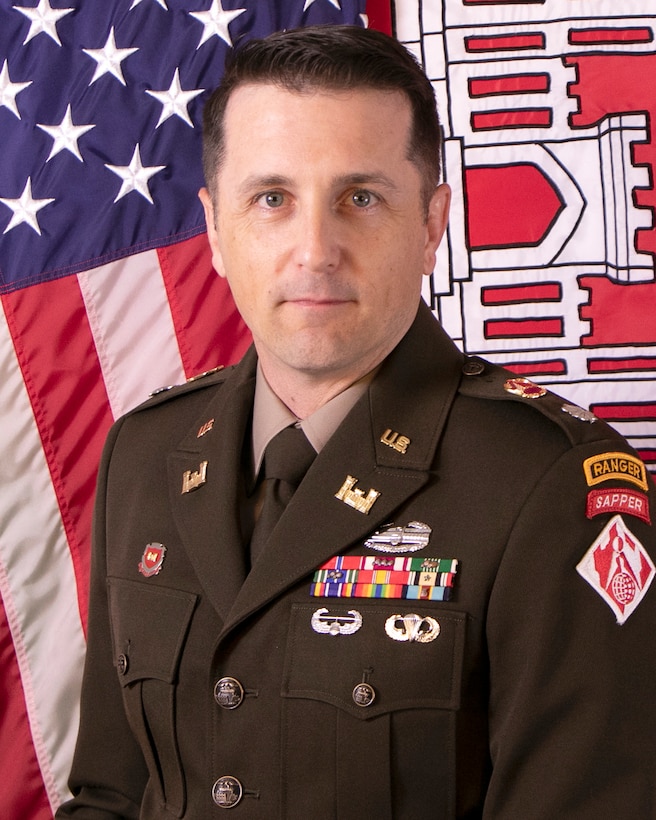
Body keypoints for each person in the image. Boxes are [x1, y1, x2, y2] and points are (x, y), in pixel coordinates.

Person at [57, 25, 656, 819]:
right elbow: (110, 795)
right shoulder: (146, 451)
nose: (316, 250)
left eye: (360, 198)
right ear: (214, 228)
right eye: (272, 199)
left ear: (432, 222)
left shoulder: (548, 483)